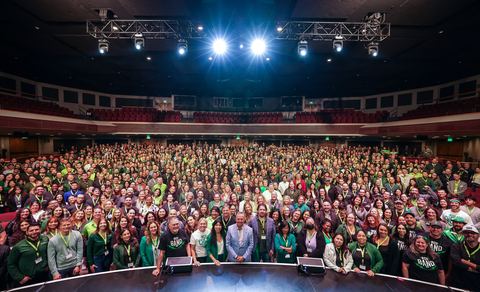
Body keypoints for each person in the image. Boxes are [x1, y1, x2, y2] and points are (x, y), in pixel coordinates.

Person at [7, 222, 49, 287]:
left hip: (43, 275)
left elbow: (48, 254)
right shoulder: (18, 247)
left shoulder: (45, 239)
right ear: (26, 232)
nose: (34, 232)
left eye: (36, 230)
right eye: (31, 230)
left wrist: (47, 266)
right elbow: (11, 264)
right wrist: (20, 277)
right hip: (28, 278)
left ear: (40, 230)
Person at [449, 225, 480, 291]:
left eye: (473, 233)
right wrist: (476, 269)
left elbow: (460, 261)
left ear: (478, 235)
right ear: (463, 234)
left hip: (477, 284)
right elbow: (456, 262)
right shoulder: (456, 246)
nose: (469, 234)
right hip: (458, 282)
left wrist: (465, 261)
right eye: (466, 232)